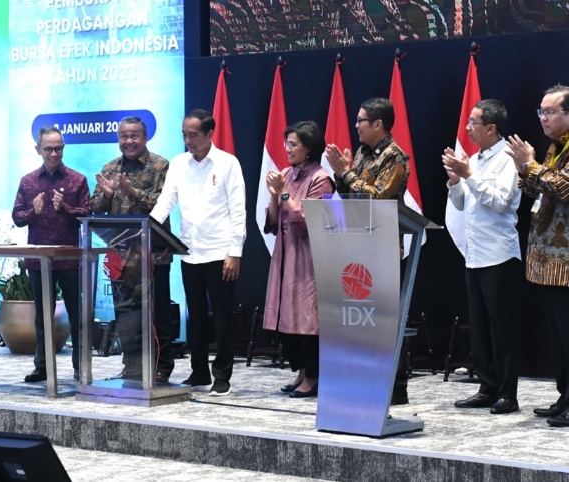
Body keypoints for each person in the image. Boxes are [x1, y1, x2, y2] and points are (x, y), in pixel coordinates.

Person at [506, 85, 569, 427]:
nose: (543, 118)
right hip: (552, 257)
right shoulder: (557, 146)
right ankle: (566, 396)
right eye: (541, 112)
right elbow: (539, 189)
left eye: (550, 112)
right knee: (559, 333)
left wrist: (530, 165)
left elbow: (565, 187)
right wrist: (527, 170)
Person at [150, 109, 246, 397]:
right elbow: (166, 201)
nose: (187, 140)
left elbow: (238, 210)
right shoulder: (179, 164)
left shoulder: (228, 163)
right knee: (196, 316)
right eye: (184, 135)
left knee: (222, 317)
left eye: (193, 135)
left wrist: (235, 253)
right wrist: (148, 226)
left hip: (220, 252)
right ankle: (199, 371)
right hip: (189, 251)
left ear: (209, 135)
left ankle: (222, 374)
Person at [325, 97, 411, 405]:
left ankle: (395, 387)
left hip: (384, 247)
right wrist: (340, 175)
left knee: (386, 320)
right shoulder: (362, 152)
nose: (356, 126)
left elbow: (379, 198)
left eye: (361, 120)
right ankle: (363, 379)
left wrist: (344, 172)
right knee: (360, 318)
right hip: (357, 244)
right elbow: (350, 196)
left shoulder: (396, 157)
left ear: (378, 124)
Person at [443, 99, 522, 415]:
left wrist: (469, 175)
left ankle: (508, 394)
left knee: (502, 329)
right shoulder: (474, 158)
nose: (467, 128)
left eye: (473, 123)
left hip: (499, 255)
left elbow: (501, 202)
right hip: (474, 255)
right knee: (480, 328)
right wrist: (454, 179)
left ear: (491, 127)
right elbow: (462, 205)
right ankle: (487, 387)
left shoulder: (508, 158)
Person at [89, 116, 174, 384]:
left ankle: (162, 367)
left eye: (134, 135)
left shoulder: (160, 165)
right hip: (120, 255)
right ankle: (133, 367)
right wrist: (109, 195)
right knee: (126, 313)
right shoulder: (110, 167)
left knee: (157, 312)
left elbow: (162, 204)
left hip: (153, 255)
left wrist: (132, 192)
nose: (129, 141)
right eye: (124, 136)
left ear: (145, 137)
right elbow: (95, 208)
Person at [12, 126, 90, 383]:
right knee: (42, 317)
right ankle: (42, 366)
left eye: (58, 148)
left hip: (69, 259)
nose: (54, 153)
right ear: (38, 150)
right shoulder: (28, 181)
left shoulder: (77, 180)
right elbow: (18, 217)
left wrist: (64, 207)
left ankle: (81, 366)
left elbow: (87, 216)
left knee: (77, 316)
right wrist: (33, 212)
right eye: (49, 149)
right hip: (39, 260)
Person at [263, 121, 335, 398]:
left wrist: (283, 193)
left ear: (309, 148)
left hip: (308, 256)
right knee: (283, 318)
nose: (288, 149)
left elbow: (308, 221)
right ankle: (302, 371)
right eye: (287, 143)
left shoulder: (320, 179)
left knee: (308, 320)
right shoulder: (286, 174)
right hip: (284, 253)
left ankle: (315, 376)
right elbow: (271, 221)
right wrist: (273, 196)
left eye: (293, 144)